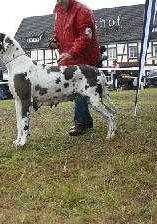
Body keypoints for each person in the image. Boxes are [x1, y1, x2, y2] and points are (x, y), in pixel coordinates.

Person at [49, 0, 100, 136]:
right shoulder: (59, 11)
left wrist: (71, 53)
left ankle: (80, 122)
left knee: (79, 90)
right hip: (69, 59)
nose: (60, 1)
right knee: (78, 90)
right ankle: (87, 121)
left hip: (85, 57)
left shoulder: (82, 10)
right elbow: (58, 31)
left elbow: (86, 36)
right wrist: (55, 41)